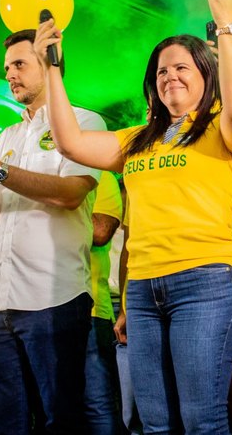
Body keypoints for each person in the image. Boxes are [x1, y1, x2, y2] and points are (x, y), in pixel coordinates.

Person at [44, 0, 232, 433]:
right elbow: (70, 143)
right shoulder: (136, 138)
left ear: (205, 75)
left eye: (181, 67)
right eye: (161, 71)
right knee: (155, 424)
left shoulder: (220, 127)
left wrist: (228, 25)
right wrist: (52, 69)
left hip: (206, 282)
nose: (169, 76)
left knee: (202, 420)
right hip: (142, 292)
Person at [0, 29, 106, 433]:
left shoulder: (84, 122)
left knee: (60, 416)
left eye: (19, 65)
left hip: (54, 295)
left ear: (50, 65)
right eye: (7, 68)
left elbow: (71, 194)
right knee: (3, 418)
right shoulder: (8, 135)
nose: (10, 75)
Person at [85, 170, 123, 434]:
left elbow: (100, 232)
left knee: (97, 403)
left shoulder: (102, 178)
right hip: (39, 308)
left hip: (93, 308)